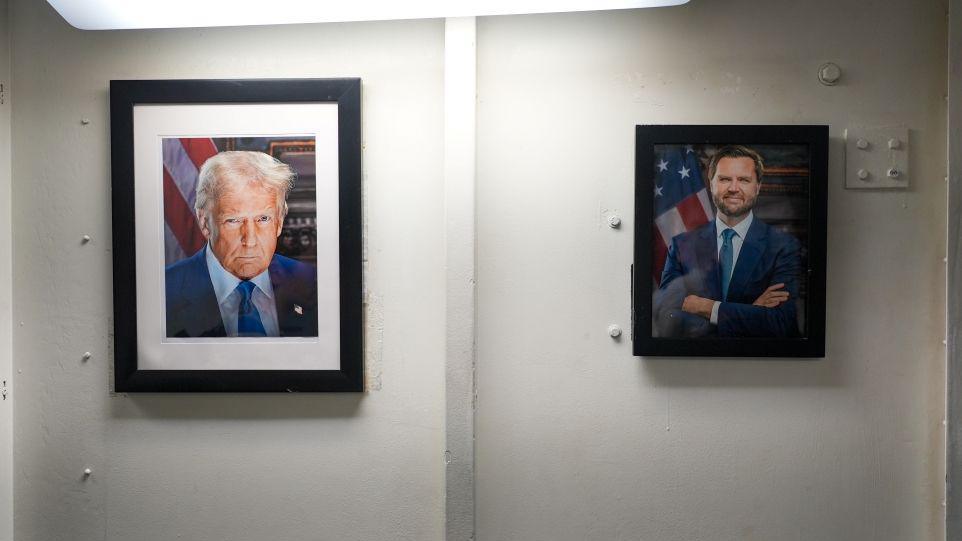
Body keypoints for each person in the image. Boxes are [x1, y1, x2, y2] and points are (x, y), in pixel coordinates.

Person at [165, 151, 318, 338]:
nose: (250, 241)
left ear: (279, 222)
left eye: (263, 219)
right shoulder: (163, 293)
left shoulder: (313, 283)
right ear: (205, 223)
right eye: (233, 220)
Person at [653, 145, 801, 338]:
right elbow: (667, 317)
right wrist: (751, 311)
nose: (733, 188)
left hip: (759, 364)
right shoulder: (681, 245)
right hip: (694, 364)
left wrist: (708, 308)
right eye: (724, 179)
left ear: (758, 187)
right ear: (711, 183)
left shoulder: (784, 246)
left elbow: (781, 322)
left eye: (744, 180)